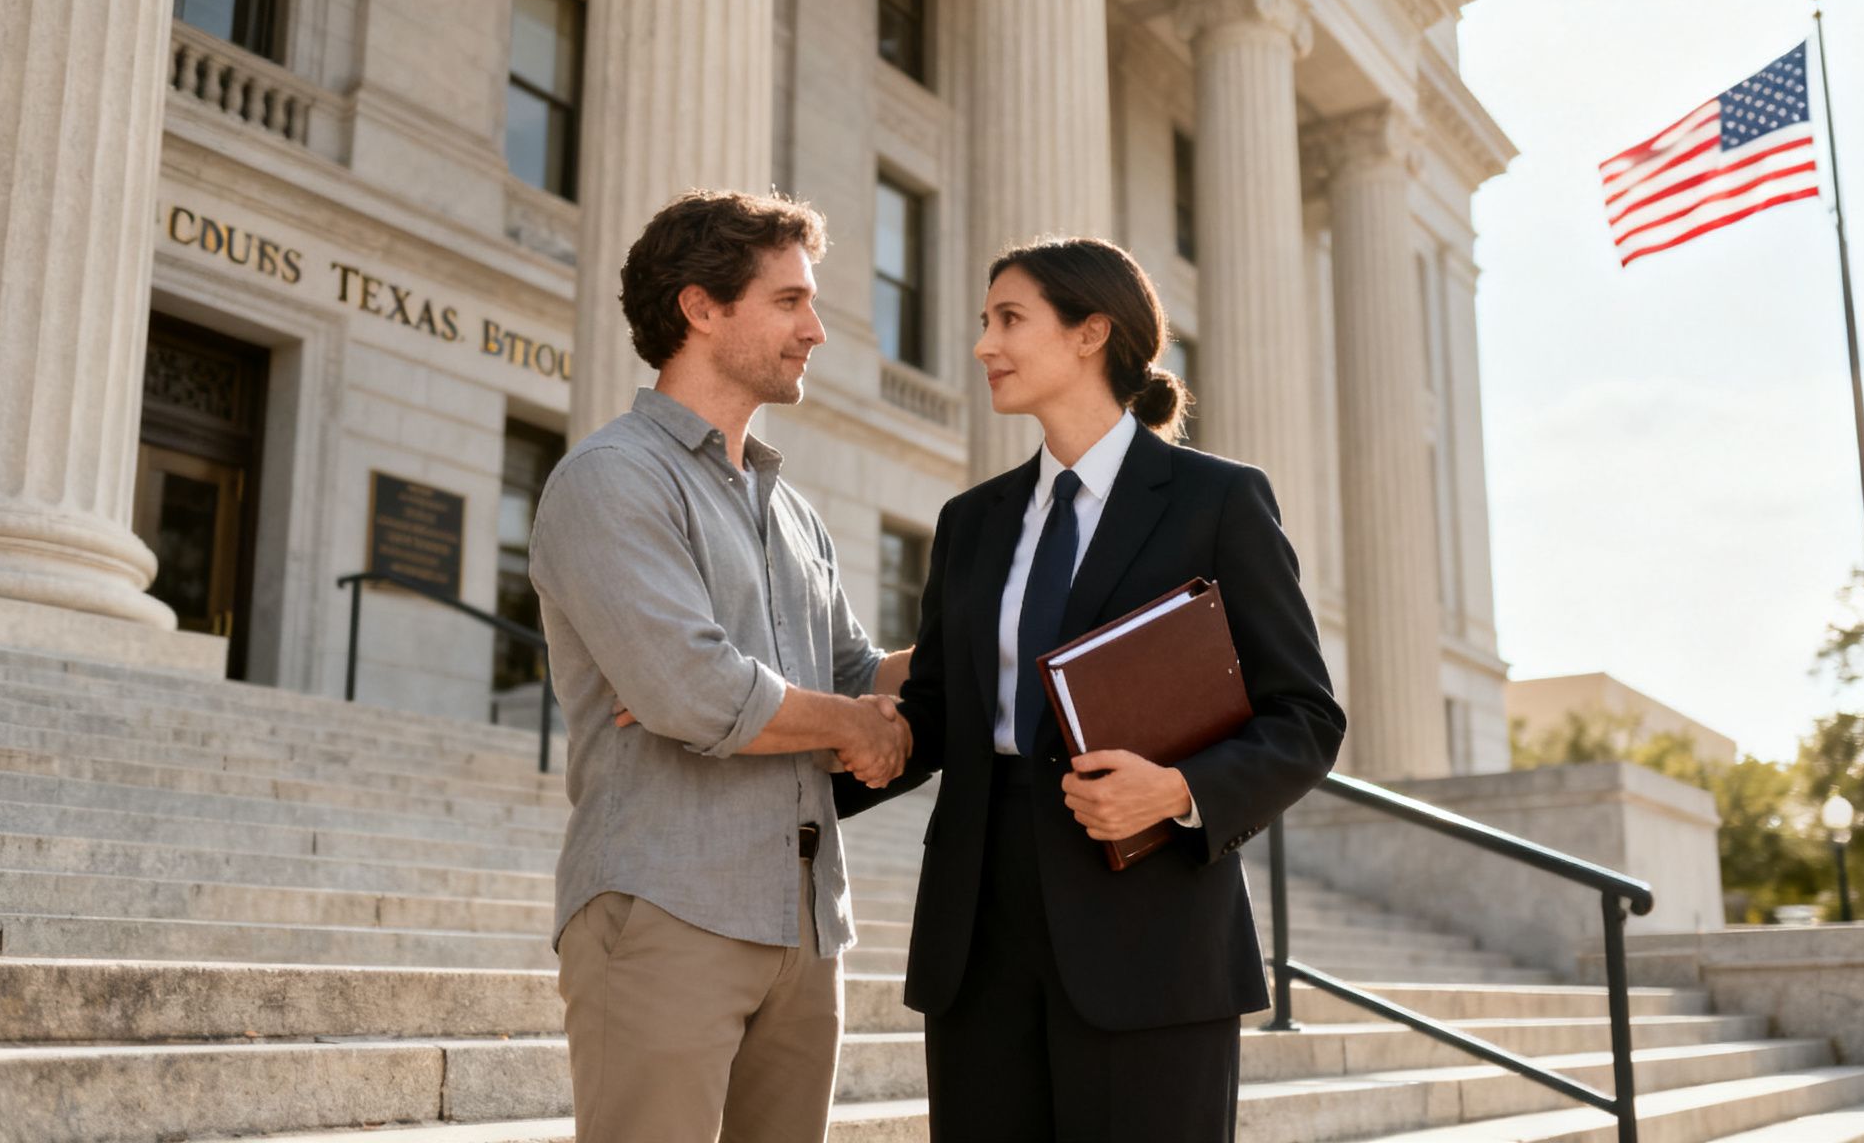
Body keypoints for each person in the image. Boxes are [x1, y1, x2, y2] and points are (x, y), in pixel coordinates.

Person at [889, 237, 1346, 1141]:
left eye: (1008, 320)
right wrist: (763, 735)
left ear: (1092, 332)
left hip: (1152, 929)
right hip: (977, 935)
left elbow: (1306, 716)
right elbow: (935, 712)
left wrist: (1178, 792)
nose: (983, 343)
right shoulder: (970, 522)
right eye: (986, 322)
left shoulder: (1218, 500)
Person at [528, 188, 915, 1143]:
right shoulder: (612, 479)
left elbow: (859, 672)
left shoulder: (792, 510)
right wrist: (843, 724)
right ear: (701, 308)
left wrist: (1005, 623)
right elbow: (692, 690)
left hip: (803, 923)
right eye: (788, 302)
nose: (817, 329)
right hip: (667, 907)